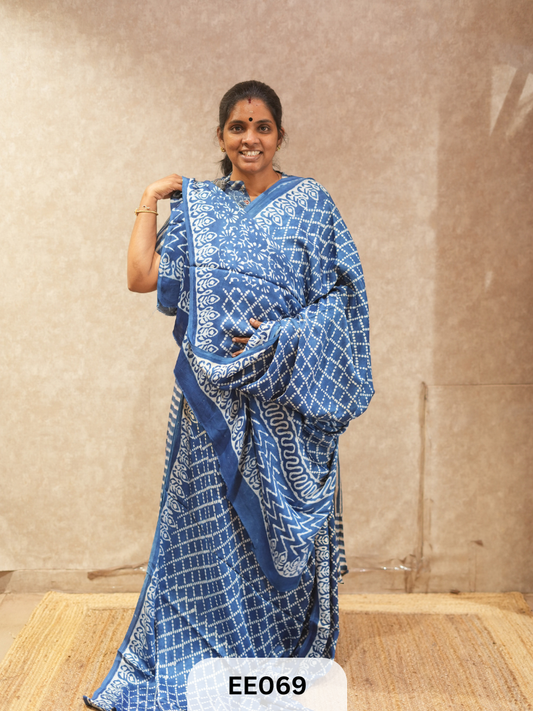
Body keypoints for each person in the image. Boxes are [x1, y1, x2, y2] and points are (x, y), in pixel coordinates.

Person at [84, 80, 373, 711]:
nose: (250, 138)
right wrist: (148, 200)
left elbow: (344, 303)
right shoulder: (200, 209)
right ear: (221, 136)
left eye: (262, 126)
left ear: (280, 135)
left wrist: (279, 339)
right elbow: (141, 277)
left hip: (284, 405)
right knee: (208, 531)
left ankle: (269, 658)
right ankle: (204, 651)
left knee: (269, 535)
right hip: (209, 405)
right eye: (238, 127)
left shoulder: (312, 204)